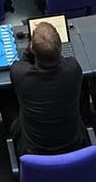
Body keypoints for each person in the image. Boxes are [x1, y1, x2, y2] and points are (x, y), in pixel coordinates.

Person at [9, 22, 87, 156]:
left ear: (32, 49)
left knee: (5, 98)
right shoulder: (73, 69)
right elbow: (60, 60)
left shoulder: (19, 74)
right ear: (60, 47)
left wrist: (31, 48)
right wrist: (51, 49)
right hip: (74, 146)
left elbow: (22, 63)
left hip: (33, 152)